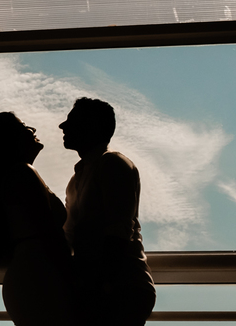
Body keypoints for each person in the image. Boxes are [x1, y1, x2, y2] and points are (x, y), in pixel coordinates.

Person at [59, 97, 156, 326]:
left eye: (71, 120)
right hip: (104, 288)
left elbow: (119, 231)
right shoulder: (76, 179)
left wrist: (103, 286)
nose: (62, 126)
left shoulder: (113, 164)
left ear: (91, 126)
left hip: (119, 289)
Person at [0, 112, 78, 326]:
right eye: (24, 127)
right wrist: (74, 280)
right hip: (42, 277)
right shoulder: (23, 173)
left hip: (31, 277)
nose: (32, 130)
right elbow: (50, 234)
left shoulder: (13, 178)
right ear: (12, 139)